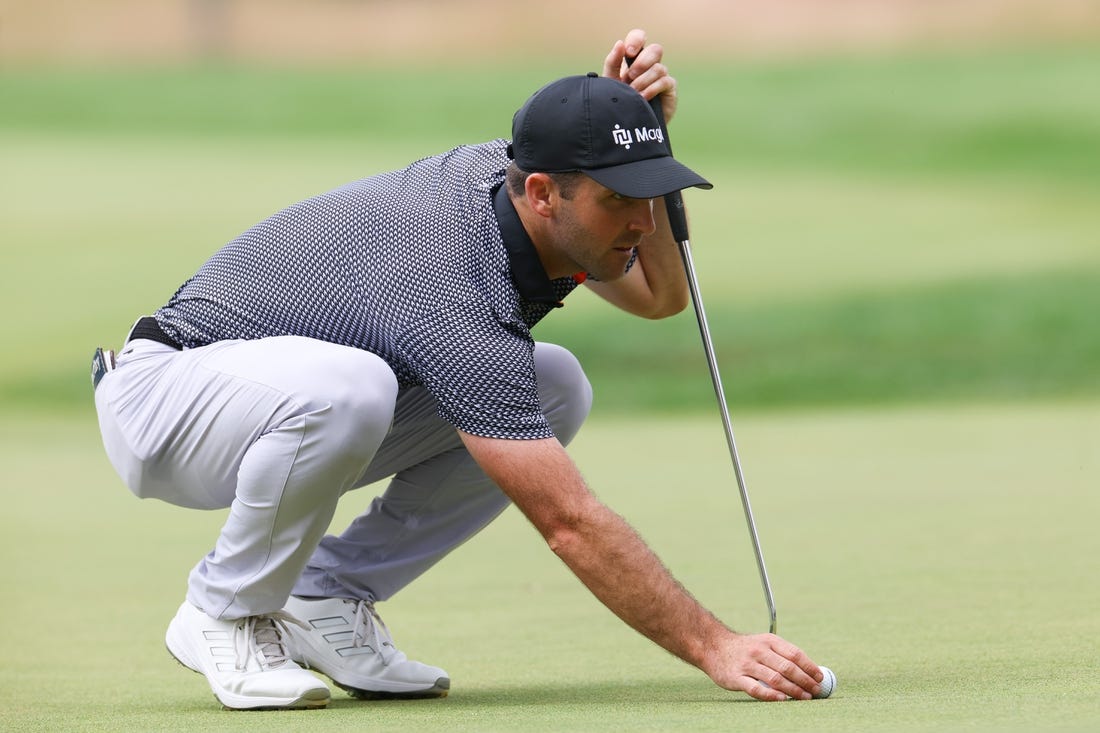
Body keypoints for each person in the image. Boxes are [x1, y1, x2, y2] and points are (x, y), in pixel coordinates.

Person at [92, 29, 825, 710]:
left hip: (270, 407)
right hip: (166, 401)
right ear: (542, 193)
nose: (641, 220)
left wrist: (636, 140)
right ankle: (222, 608)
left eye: (646, 196)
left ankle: (327, 595)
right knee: (352, 388)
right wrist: (713, 644)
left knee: (554, 383)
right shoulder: (451, 274)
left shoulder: (532, 197)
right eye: (619, 200)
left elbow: (661, 296)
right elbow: (567, 521)